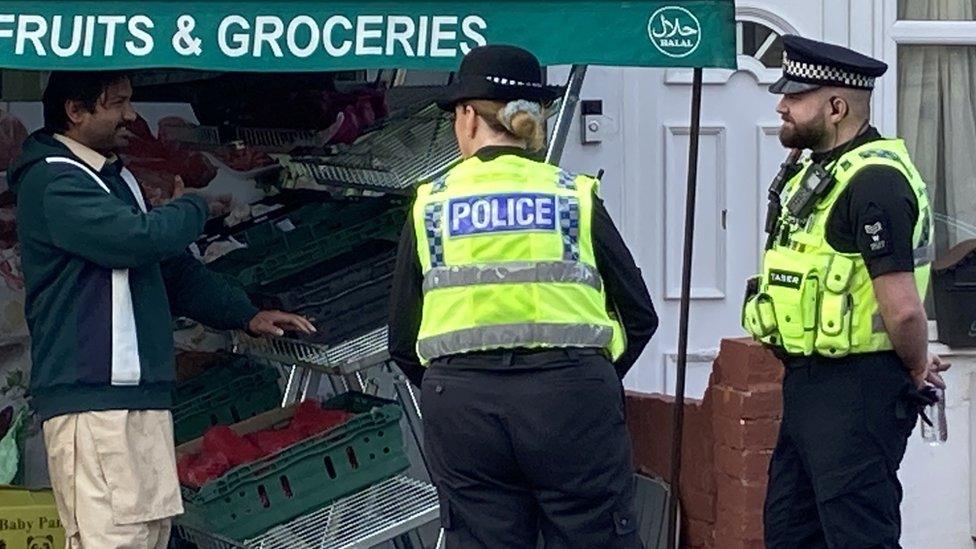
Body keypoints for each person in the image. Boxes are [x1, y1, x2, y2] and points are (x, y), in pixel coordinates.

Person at [9, 71, 315, 549]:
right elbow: (136, 241)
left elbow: (169, 268)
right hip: (93, 397)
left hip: (140, 394)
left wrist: (244, 313)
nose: (131, 116)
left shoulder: (114, 176)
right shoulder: (51, 179)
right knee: (115, 538)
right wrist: (193, 208)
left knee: (149, 535)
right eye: (118, 104)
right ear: (75, 111)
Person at [388, 44, 658, 548]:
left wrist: (458, 382)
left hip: (463, 406)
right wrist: (590, 374)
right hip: (572, 400)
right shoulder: (571, 195)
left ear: (468, 117)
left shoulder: (431, 204)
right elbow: (639, 316)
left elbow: (402, 340)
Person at [741, 35, 950, 548]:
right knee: (792, 533)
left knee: (858, 536)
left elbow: (902, 310)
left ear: (836, 107)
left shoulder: (875, 181)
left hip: (857, 392)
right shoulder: (820, 173)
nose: (781, 105)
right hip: (811, 385)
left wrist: (916, 365)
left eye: (795, 96)